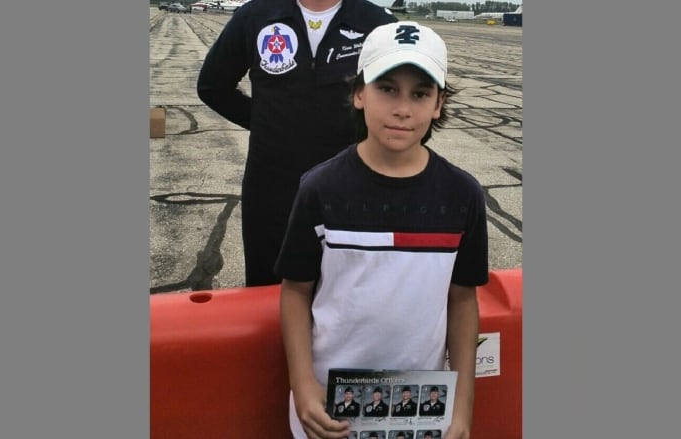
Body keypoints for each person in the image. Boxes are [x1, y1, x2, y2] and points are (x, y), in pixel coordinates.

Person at [277, 21, 488, 439]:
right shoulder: (320, 189)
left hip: (419, 410)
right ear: (359, 94)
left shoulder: (462, 195)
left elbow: (463, 302)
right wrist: (302, 386)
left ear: (438, 104)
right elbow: (295, 291)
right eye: (387, 88)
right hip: (329, 408)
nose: (403, 109)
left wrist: (461, 409)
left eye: (420, 93)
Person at [196, 0, 397, 286]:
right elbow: (212, 86)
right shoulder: (256, 16)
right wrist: (267, 122)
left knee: (350, 286)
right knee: (270, 284)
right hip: (271, 186)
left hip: (353, 183)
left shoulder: (377, 23)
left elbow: (398, 96)